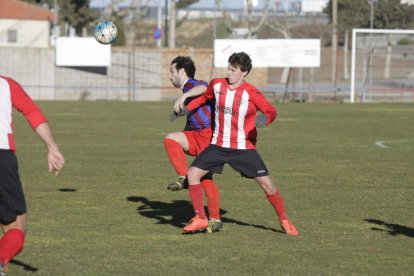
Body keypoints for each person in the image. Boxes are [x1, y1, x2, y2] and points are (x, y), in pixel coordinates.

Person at [176, 52, 298, 235]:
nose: (229, 73)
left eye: (234, 70)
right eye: (229, 68)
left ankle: (284, 220)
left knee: (267, 185)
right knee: (192, 175)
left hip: (243, 148)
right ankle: (201, 218)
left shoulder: (251, 93)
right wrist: (187, 108)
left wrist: (264, 120)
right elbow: (204, 98)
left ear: (244, 72)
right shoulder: (217, 84)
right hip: (217, 145)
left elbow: (270, 111)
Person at [0, 75, 65, 275]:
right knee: (15, 228)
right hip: (2, 158)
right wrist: (52, 148)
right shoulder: (6, 84)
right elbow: (32, 112)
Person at [164, 56, 222, 233]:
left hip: (207, 137)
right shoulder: (189, 92)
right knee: (204, 178)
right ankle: (214, 219)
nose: (169, 76)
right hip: (200, 135)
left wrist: (186, 96)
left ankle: (184, 179)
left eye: (172, 71)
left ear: (182, 71)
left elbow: (204, 87)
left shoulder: (191, 85)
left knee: (205, 180)